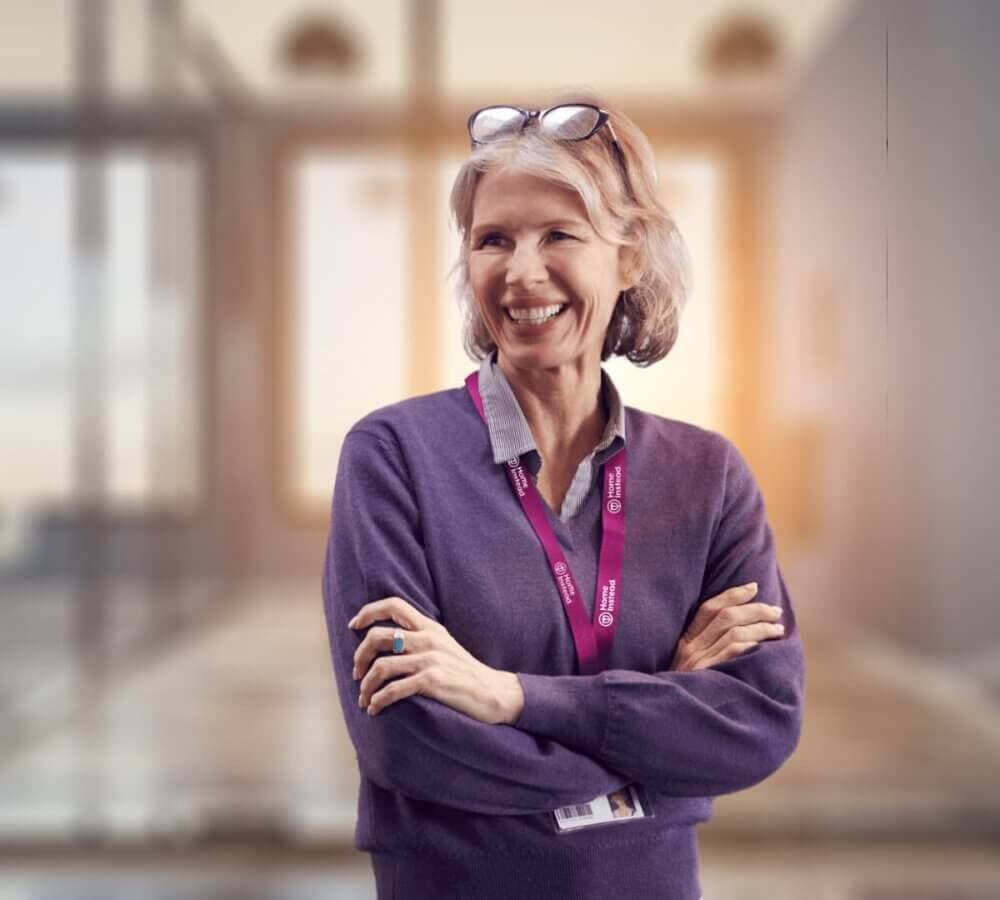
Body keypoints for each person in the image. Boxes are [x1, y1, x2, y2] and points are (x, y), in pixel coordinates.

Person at [321, 95, 805, 900]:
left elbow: (758, 724)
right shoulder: (393, 459)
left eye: (559, 235)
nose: (521, 271)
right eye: (492, 240)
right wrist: (662, 732)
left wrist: (505, 696)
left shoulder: (708, 476)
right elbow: (405, 741)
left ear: (629, 255)